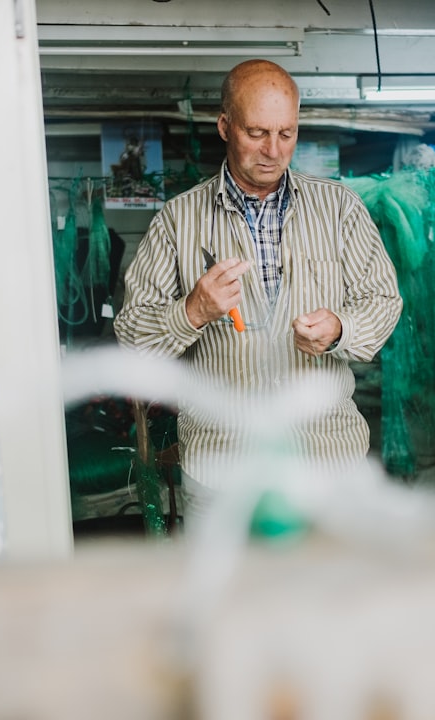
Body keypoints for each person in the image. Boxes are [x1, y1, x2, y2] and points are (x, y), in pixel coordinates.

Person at [113, 59, 402, 523]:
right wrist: (192, 311)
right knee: (232, 596)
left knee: (331, 594)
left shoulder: (340, 209)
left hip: (326, 460)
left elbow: (383, 300)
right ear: (225, 126)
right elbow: (131, 337)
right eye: (257, 132)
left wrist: (340, 327)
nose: (272, 150)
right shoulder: (177, 221)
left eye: (286, 133)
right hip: (222, 470)